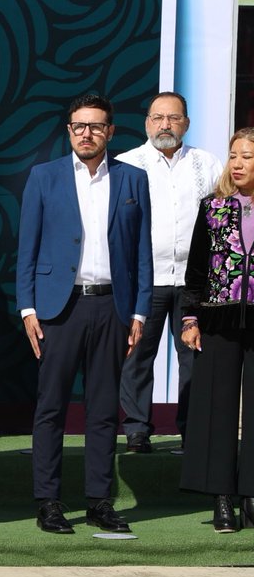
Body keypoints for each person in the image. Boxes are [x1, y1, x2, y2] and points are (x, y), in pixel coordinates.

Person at [16, 93, 152, 534]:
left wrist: (140, 312)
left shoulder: (134, 179)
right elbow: (27, 249)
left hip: (112, 306)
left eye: (96, 126)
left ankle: (98, 500)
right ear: (69, 130)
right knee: (51, 407)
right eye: (79, 126)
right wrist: (28, 307)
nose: (86, 133)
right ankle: (49, 501)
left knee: (103, 411)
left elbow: (142, 252)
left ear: (110, 131)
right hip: (59, 308)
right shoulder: (44, 177)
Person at [116, 92, 222, 452]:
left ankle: (192, 431)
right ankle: (136, 430)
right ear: (146, 122)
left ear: (187, 124)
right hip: (144, 279)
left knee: (194, 358)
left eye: (174, 118)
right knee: (137, 355)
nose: (165, 125)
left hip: (195, 283)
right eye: (158, 117)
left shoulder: (207, 164)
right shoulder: (126, 164)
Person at [179, 127, 254, 532]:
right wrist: (191, 318)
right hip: (219, 319)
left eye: (248, 156)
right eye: (234, 155)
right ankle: (222, 498)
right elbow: (196, 269)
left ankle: (252, 495)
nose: (238, 163)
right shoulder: (213, 207)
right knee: (216, 408)